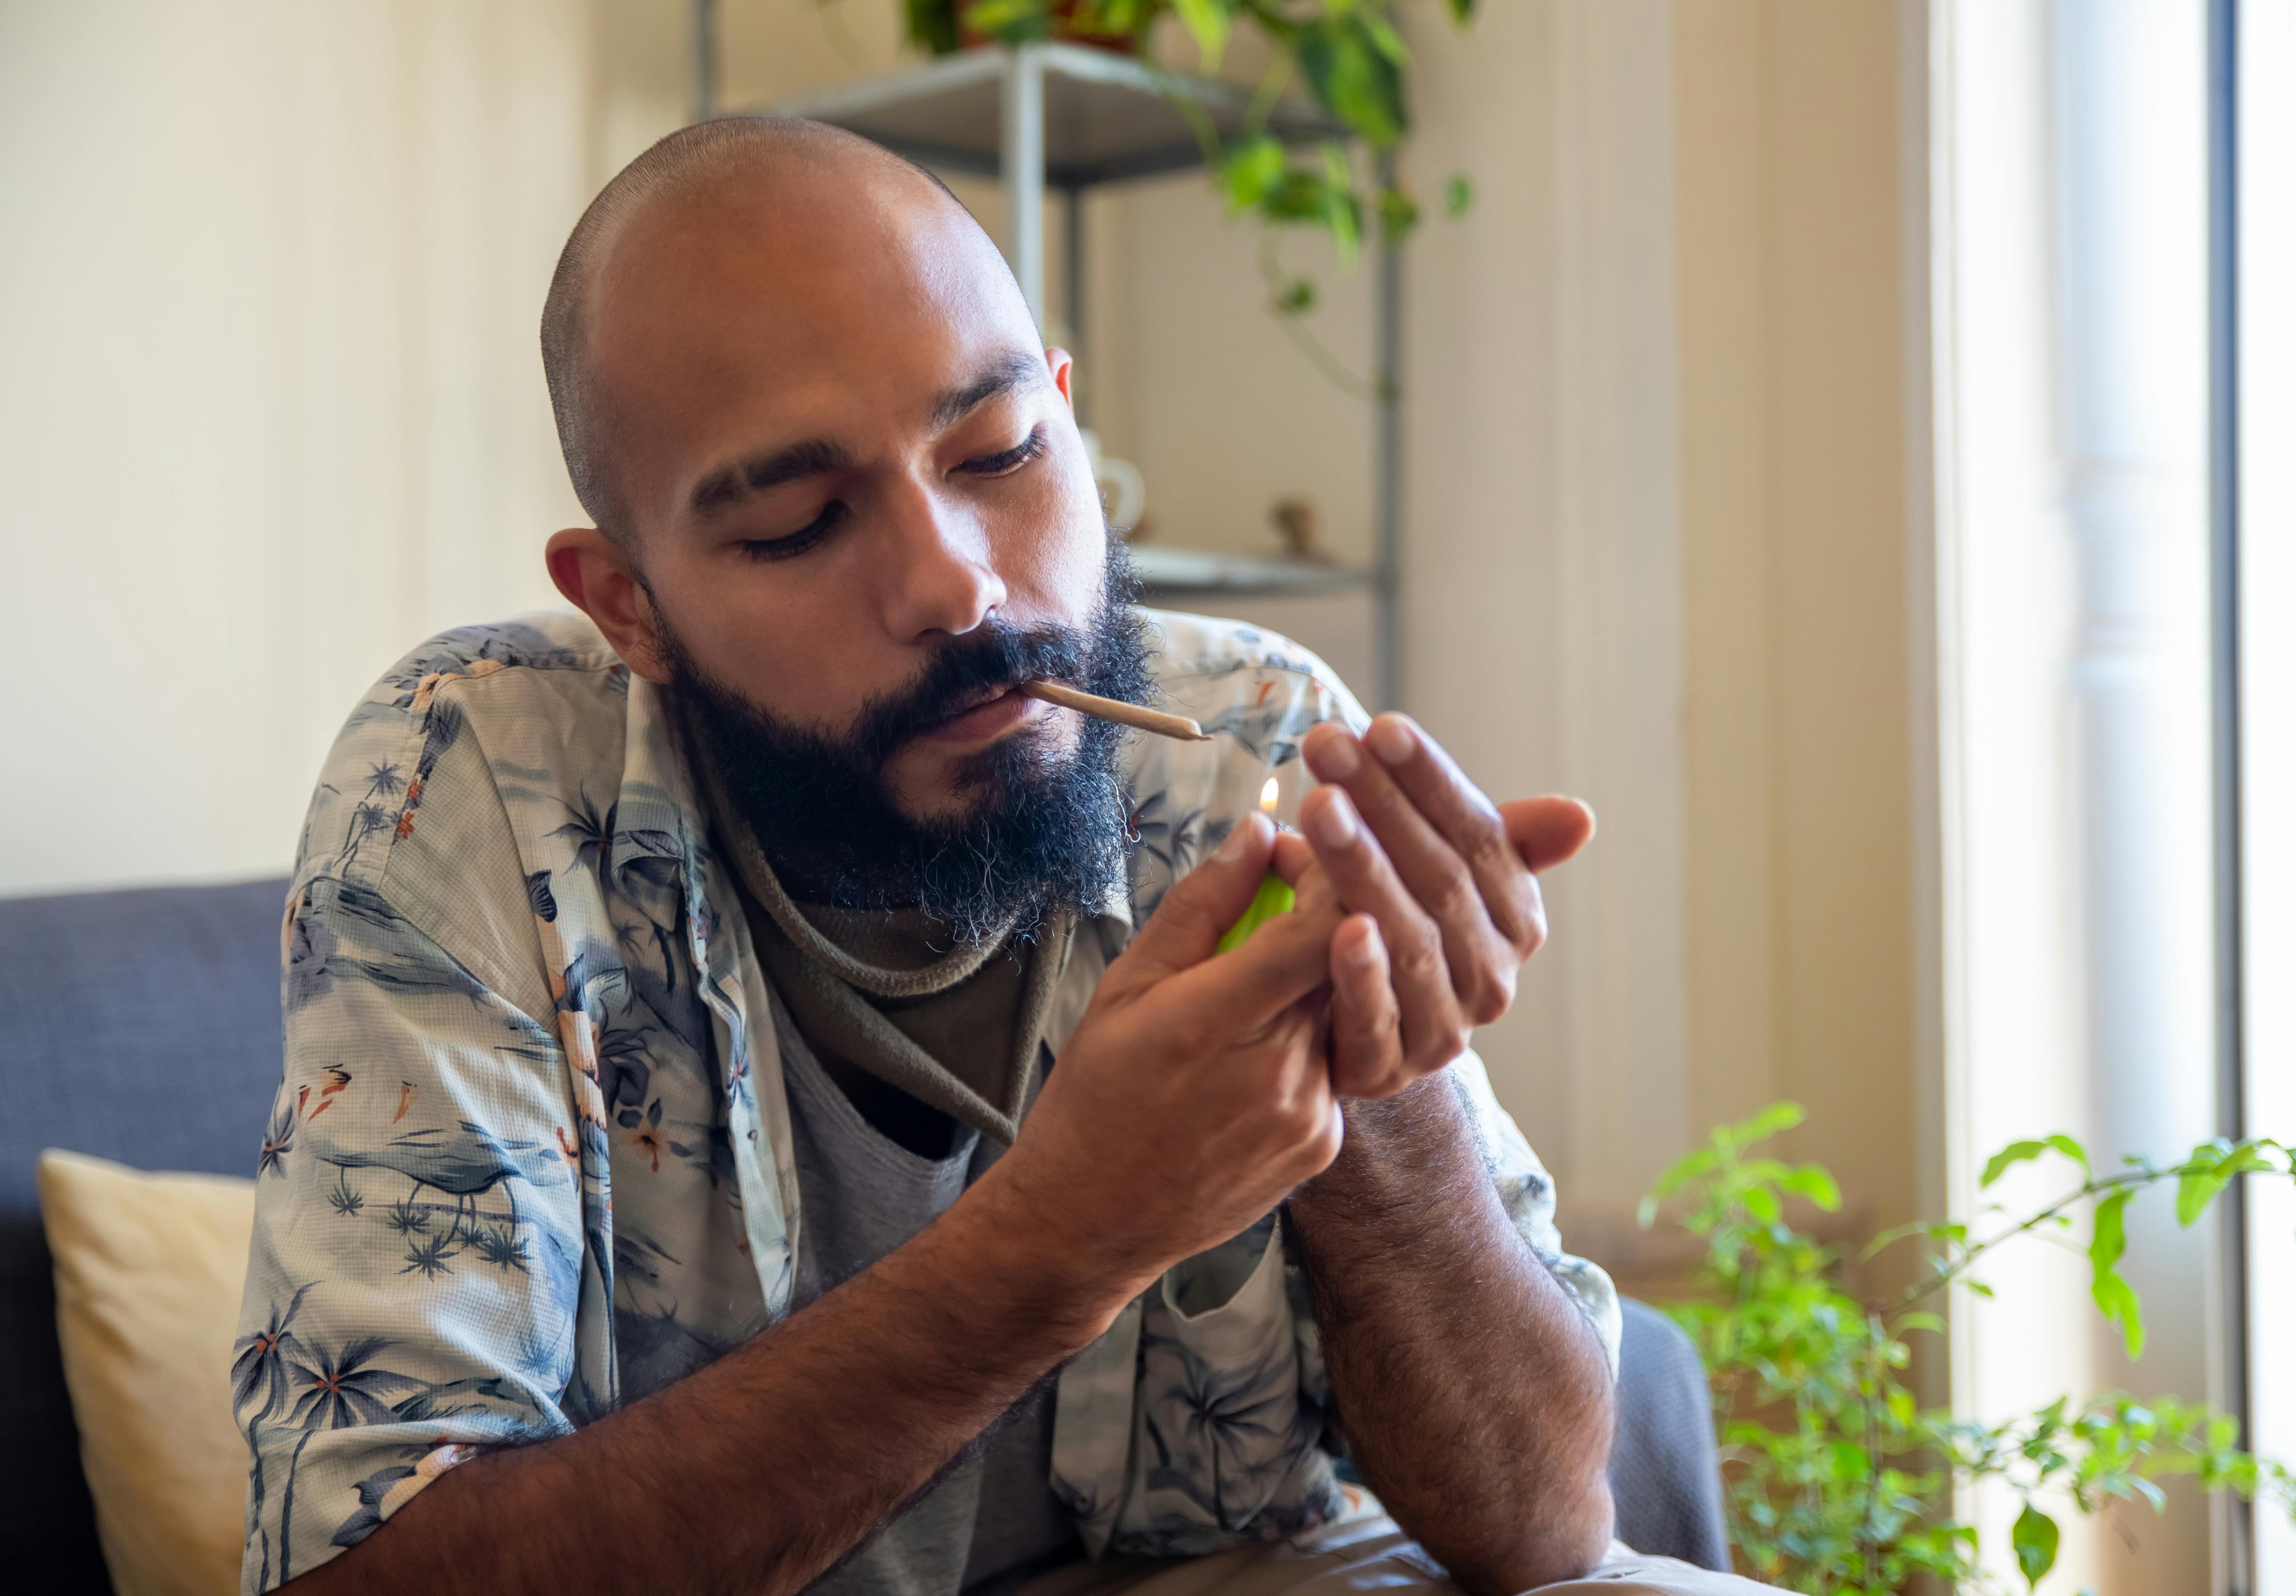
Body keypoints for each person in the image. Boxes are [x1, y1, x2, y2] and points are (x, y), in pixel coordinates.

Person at [234, 117, 1772, 1596]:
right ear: (626, 601)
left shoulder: (1252, 740)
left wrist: (1386, 1093)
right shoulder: (476, 780)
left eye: (998, 454)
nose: (955, 588)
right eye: (795, 524)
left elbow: (1549, 1525)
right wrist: (1068, 1233)